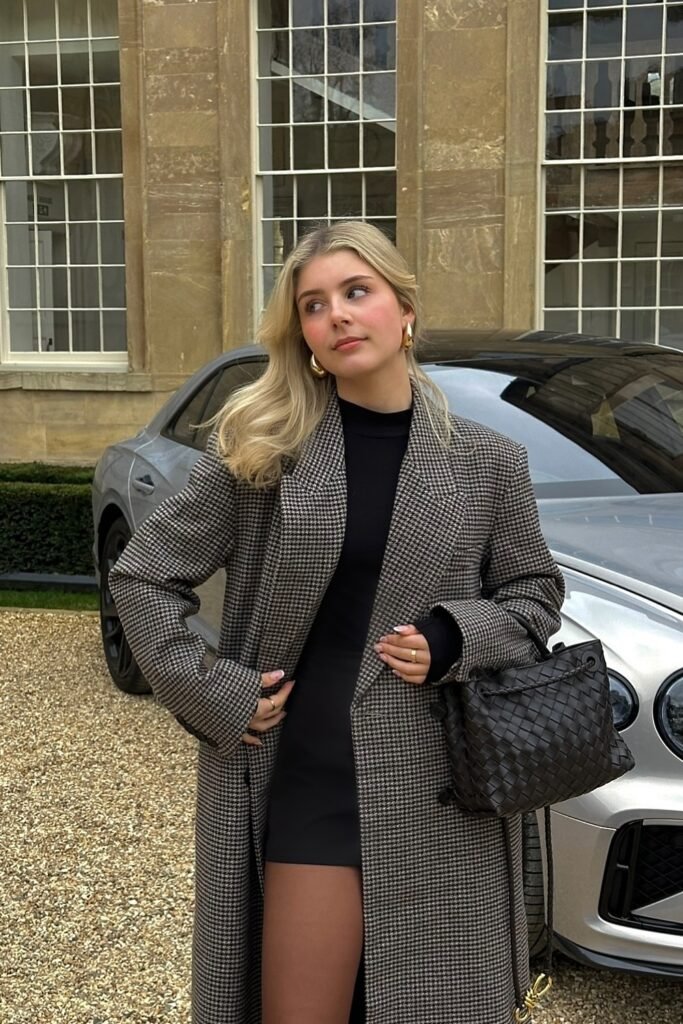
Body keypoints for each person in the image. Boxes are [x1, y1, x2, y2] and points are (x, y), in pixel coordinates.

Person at [109, 220, 565, 1024]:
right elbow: (143, 575)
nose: (338, 316)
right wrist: (213, 689)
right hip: (305, 769)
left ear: (404, 311)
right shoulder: (265, 451)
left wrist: (457, 637)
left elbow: (532, 595)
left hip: (442, 781)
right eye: (315, 306)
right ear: (306, 338)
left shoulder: (487, 460)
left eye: (356, 292)